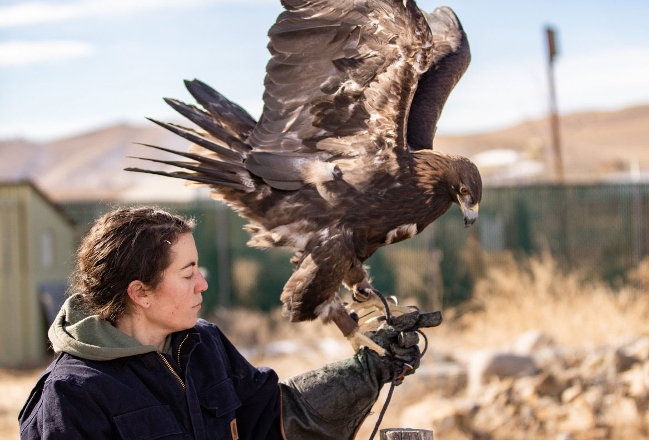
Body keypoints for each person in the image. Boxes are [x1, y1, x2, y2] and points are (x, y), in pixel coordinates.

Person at [19, 206, 424, 440]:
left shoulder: (202, 344)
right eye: (187, 272)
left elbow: (271, 420)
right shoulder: (71, 394)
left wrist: (366, 371)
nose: (203, 284)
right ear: (140, 293)